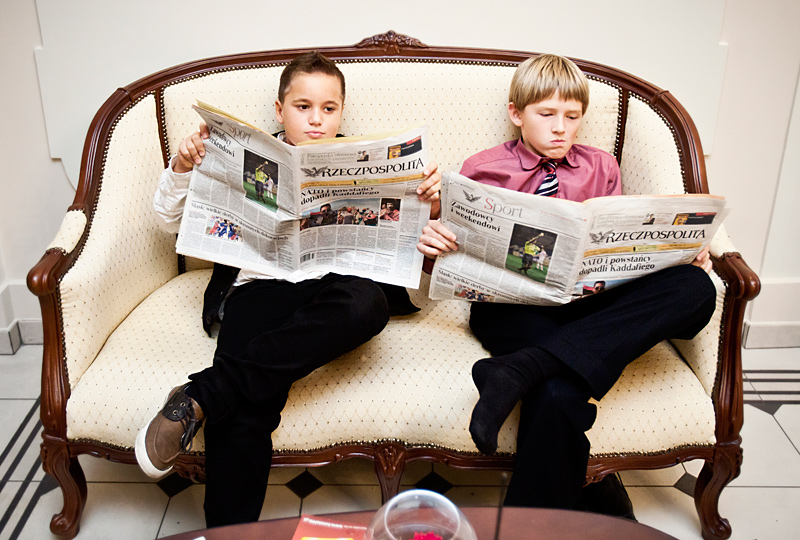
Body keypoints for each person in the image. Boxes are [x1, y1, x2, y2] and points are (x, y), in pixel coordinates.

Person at [139, 51, 442, 527]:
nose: (317, 119)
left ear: (342, 111)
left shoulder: (370, 166)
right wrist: (181, 168)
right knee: (247, 411)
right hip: (258, 290)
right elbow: (167, 222)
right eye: (303, 107)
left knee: (368, 303)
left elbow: (417, 293)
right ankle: (229, 535)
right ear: (279, 110)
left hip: (333, 290)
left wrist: (429, 213)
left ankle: (204, 392)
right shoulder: (240, 152)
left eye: (329, 108)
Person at [416, 54, 716, 518]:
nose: (561, 128)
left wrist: (679, 249)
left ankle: (519, 369)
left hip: (591, 305)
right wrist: (434, 232)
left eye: (572, 117)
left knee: (695, 288)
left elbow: (623, 243)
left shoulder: (602, 167)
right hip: (511, 305)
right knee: (558, 395)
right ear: (517, 114)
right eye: (547, 115)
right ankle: (588, 493)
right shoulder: (484, 168)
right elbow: (454, 250)